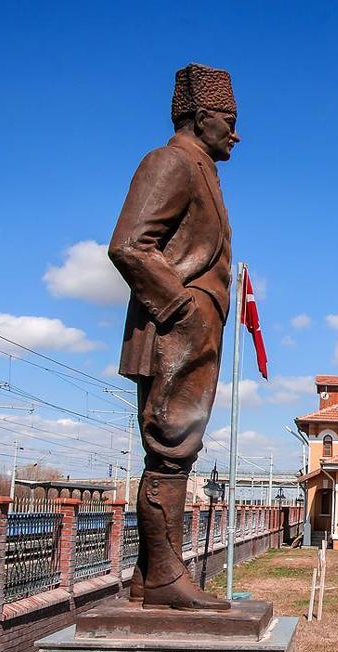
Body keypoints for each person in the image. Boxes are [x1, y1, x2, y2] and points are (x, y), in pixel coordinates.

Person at [108, 63, 240, 611]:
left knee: (177, 447)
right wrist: (183, 307)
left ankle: (149, 576)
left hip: (194, 330)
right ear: (202, 116)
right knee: (171, 445)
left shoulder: (202, 168)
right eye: (229, 120)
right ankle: (164, 577)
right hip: (177, 329)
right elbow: (131, 245)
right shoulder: (171, 162)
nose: (237, 133)